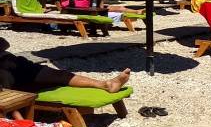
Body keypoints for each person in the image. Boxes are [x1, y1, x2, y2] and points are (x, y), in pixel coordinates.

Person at [0, 36, 130, 94]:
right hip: (5, 71)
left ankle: (105, 84)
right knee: (7, 83)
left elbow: (4, 44)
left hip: (10, 62)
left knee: (59, 75)